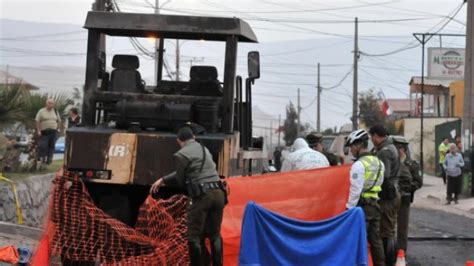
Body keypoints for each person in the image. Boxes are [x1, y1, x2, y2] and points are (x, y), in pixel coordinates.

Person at [150, 126, 226, 266]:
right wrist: (164, 179)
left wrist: (164, 181)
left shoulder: (181, 154)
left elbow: (180, 180)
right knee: (215, 234)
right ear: (194, 138)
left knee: (193, 236)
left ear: (179, 141)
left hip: (203, 196)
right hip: (219, 194)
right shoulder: (204, 150)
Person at [345, 129, 385, 266]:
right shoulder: (379, 163)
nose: (350, 150)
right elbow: (380, 183)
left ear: (358, 146)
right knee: (376, 240)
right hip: (376, 205)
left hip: (363, 207)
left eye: (351, 146)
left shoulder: (359, 165)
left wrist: (348, 210)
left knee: (359, 239)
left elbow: (355, 190)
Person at [369, 124, 400, 265]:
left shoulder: (385, 151)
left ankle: (389, 261)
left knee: (385, 231)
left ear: (376, 136)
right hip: (392, 193)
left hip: (387, 196)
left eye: (371, 136)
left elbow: (383, 175)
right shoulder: (389, 147)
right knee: (389, 230)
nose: (371, 139)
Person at [392, 136, 423, 254]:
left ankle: (401, 252)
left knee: (402, 228)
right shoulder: (391, 163)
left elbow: (418, 182)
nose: (398, 151)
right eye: (396, 148)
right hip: (390, 198)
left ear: (404, 149)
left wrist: (408, 188)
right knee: (388, 227)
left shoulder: (412, 164)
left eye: (399, 148)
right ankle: (389, 251)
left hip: (404, 199)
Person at [35, 98, 62, 165]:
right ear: (46, 104)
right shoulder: (41, 111)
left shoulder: (55, 111)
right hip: (45, 131)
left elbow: (59, 120)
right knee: (43, 146)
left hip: (53, 131)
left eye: (52, 103)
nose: (51, 105)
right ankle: (42, 159)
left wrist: (58, 128)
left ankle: (49, 161)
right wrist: (38, 130)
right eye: (50, 103)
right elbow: (37, 121)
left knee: (52, 146)